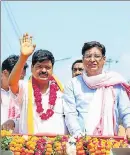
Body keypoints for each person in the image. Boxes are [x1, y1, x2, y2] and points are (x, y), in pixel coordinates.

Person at [2, 33, 68, 135]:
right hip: (31, 147)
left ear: (52, 69)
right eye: (39, 66)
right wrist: (23, 57)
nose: (43, 70)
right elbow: (12, 83)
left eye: (48, 67)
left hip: (57, 147)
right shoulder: (24, 88)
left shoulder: (61, 91)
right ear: (32, 68)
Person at [63, 41, 130, 139]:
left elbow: (126, 111)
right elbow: (70, 114)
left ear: (104, 59)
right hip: (82, 143)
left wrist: (129, 126)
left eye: (97, 56)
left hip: (109, 142)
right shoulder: (73, 84)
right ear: (83, 59)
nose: (92, 60)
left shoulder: (115, 82)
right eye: (88, 56)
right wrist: (79, 136)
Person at [1, 55, 28, 125]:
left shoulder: (25, 92)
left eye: (23, 78)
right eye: (18, 79)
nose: (21, 82)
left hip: (17, 135)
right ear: (5, 73)